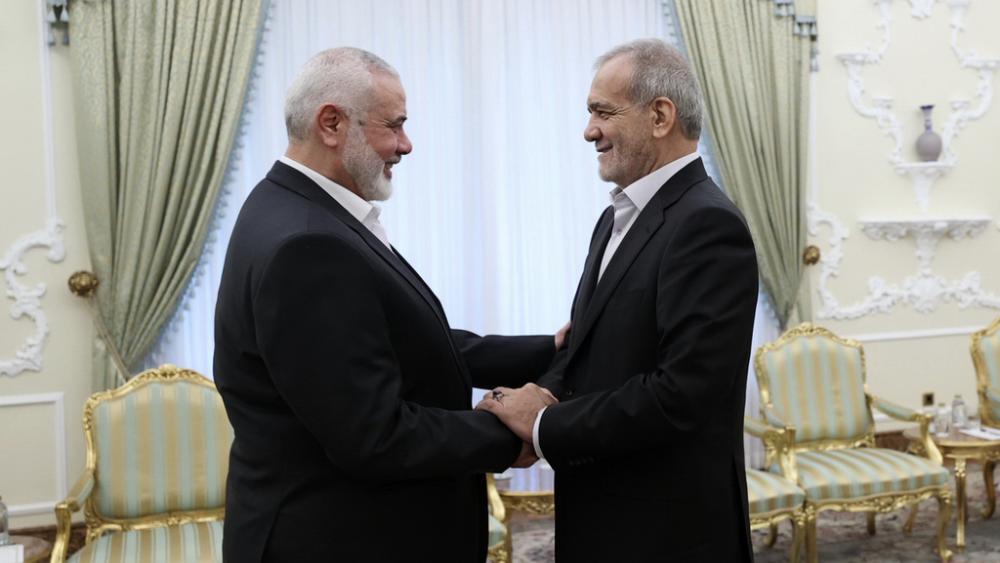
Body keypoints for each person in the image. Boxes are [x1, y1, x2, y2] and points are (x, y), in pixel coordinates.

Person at [214, 47, 561, 562]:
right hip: (340, 537)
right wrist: (514, 431)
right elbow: (374, 436)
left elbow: (401, 346)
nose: (406, 144)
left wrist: (548, 349)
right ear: (331, 123)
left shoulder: (292, 206)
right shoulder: (307, 244)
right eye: (394, 126)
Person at [477, 39, 759, 561]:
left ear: (660, 116)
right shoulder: (615, 217)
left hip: (669, 530)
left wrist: (542, 426)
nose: (589, 131)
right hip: (601, 508)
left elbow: (682, 396)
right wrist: (541, 395)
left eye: (602, 112)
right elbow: (583, 345)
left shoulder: (708, 224)